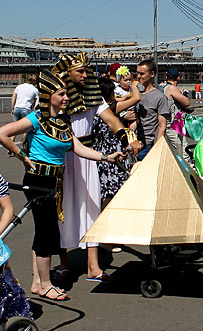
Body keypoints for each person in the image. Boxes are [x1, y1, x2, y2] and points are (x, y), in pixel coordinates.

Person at [0, 72, 125, 300]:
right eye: (61, 94)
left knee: (44, 232)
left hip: (55, 181)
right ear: (48, 96)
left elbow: (79, 149)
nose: (66, 98)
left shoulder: (63, 121)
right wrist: (22, 156)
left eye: (66, 94)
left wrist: (107, 157)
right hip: (38, 181)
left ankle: (37, 282)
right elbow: (0, 133)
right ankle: (45, 284)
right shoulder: (36, 118)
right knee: (47, 233)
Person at [52, 53, 141, 282]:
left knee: (92, 208)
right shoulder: (56, 97)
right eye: (79, 71)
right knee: (62, 210)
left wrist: (128, 140)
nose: (85, 75)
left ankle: (93, 265)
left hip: (89, 158)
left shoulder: (94, 96)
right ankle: (63, 261)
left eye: (86, 71)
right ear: (66, 74)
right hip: (62, 157)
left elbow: (113, 121)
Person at [94, 77, 141, 210]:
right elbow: (136, 98)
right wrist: (134, 86)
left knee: (103, 187)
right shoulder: (110, 108)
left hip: (100, 150)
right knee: (113, 187)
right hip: (114, 149)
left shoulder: (94, 108)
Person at [135, 59, 170, 161]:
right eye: (137, 73)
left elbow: (162, 126)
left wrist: (157, 149)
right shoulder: (135, 94)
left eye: (142, 74)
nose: (138, 76)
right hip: (131, 143)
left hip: (147, 145)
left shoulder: (159, 97)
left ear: (152, 74)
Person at [163, 68, 191, 152]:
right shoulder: (171, 88)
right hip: (173, 125)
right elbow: (186, 102)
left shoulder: (163, 87)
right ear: (178, 78)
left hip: (167, 123)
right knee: (183, 150)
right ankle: (186, 165)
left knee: (174, 150)